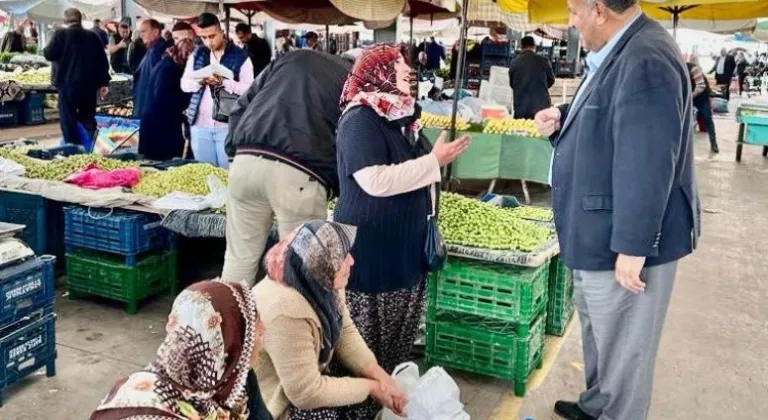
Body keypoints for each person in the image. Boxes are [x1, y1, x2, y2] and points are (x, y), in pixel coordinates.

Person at [534, 1, 700, 420]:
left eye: (574, 11)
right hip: (598, 234)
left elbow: (649, 160)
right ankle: (596, 406)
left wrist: (633, 246)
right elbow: (611, 115)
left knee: (625, 350)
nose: (571, 21)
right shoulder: (620, 49)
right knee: (601, 336)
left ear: (599, 10)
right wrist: (564, 117)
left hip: (621, 242)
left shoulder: (646, 58)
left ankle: (616, 412)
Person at [333, 44, 469, 411]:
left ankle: (383, 401)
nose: (409, 73)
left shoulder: (401, 116)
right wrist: (433, 162)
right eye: (400, 68)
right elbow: (374, 181)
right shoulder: (360, 118)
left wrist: (434, 163)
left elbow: (417, 169)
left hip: (404, 252)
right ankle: (359, 406)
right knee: (365, 345)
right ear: (377, 73)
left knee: (396, 340)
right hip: (372, 252)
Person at [221, 50, 352, 285]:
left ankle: (228, 320)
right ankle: (287, 320)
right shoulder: (351, 79)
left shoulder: (289, 58)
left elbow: (239, 108)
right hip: (299, 174)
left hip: (245, 164)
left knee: (238, 259)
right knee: (299, 270)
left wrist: (234, 153)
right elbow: (352, 140)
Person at [254, 220, 406, 420]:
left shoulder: (321, 282)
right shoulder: (286, 311)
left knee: (363, 385)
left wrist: (377, 374)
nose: (351, 261)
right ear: (319, 266)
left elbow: (344, 331)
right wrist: (370, 388)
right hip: (274, 402)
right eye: (342, 257)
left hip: (307, 376)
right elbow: (306, 393)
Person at [89, 280, 272, 420]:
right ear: (225, 344)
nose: (262, 328)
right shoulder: (147, 408)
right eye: (252, 325)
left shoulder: (234, 380)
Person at [181, 13, 254, 169]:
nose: (208, 41)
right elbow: (184, 84)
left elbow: (250, 90)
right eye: (204, 37)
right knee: (204, 175)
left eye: (212, 36)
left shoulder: (241, 57)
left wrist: (226, 83)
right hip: (199, 126)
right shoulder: (197, 54)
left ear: (222, 31)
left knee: (227, 175)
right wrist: (199, 81)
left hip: (227, 127)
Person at [44, 8, 110, 145]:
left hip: (67, 85)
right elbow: (103, 62)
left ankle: (72, 147)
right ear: (80, 20)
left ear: (65, 21)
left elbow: (48, 54)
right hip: (89, 86)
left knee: (68, 118)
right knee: (88, 117)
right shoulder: (93, 37)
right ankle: (88, 145)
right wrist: (104, 82)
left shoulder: (60, 34)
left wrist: (53, 35)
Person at [138, 38, 195, 161]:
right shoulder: (170, 68)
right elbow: (163, 96)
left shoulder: (165, 64)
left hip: (155, 121)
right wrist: (185, 102)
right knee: (161, 163)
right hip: (160, 125)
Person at [509, 36, 555, 119]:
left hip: (521, 107)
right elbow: (551, 80)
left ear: (521, 46)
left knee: (520, 129)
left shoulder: (514, 62)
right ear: (534, 46)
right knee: (540, 131)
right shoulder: (543, 61)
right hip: (541, 107)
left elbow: (512, 84)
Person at [133, 19, 167, 118]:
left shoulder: (158, 50)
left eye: (144, 31)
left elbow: (157, 83)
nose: (141, 35)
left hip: (150, 109)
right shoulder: (152, 49)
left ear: (156, 32)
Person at [688, 56, 719, 154]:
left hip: (702, 97)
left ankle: (714, 144)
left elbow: (701, 86)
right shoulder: (677, 70)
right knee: (685, 121)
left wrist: (689, 97)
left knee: (708, 119)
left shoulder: (693, 69)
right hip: (691, 97)